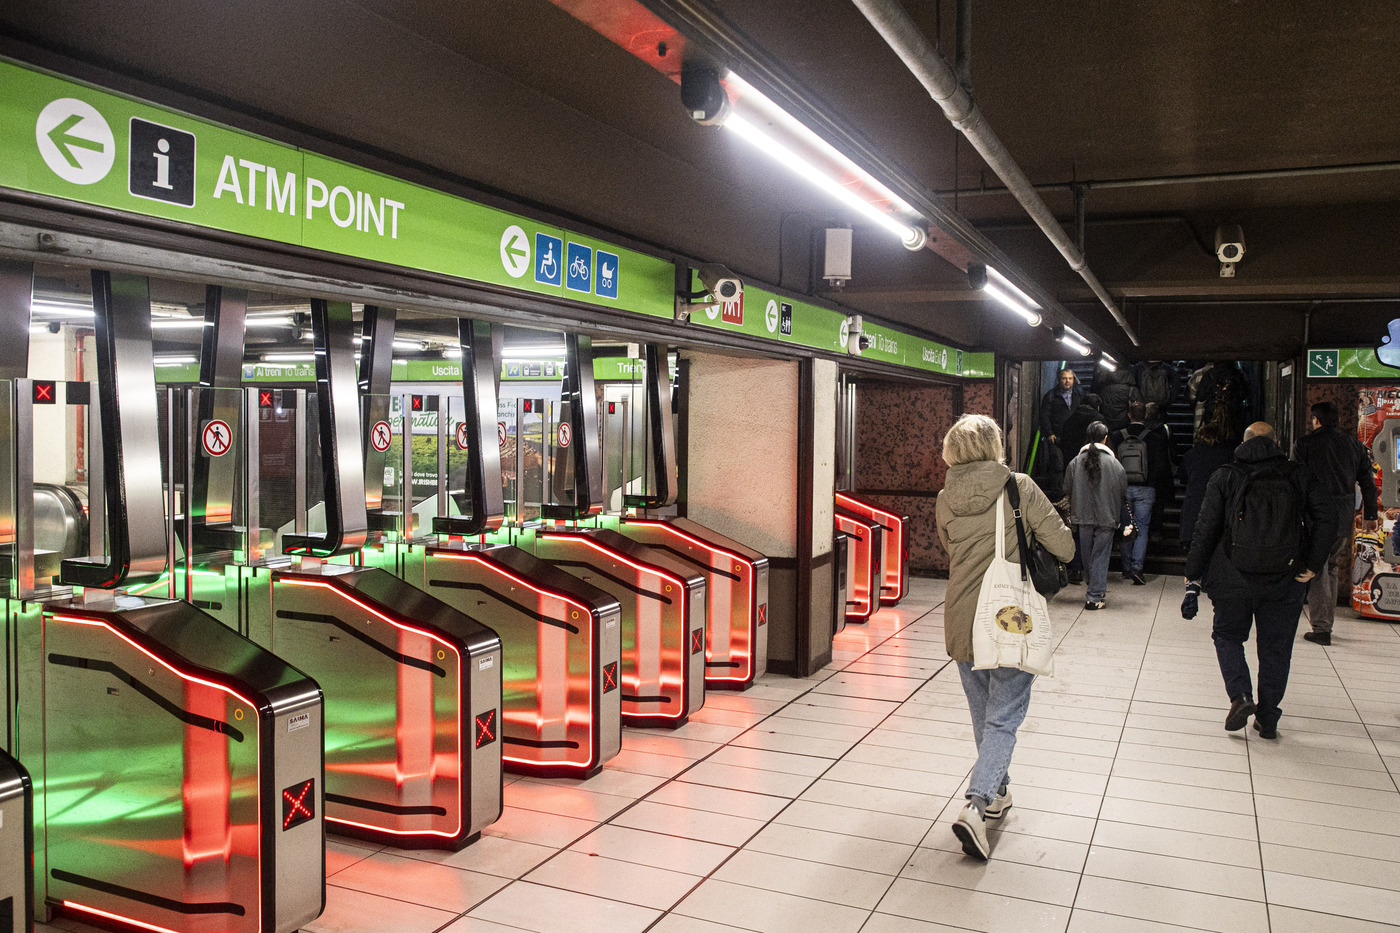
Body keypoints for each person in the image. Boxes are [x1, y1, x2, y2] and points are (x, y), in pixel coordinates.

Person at [935, 414, 1075, 860]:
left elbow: (949, 547)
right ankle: (976, 805)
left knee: (985, 714)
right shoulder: (1019, 486)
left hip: (961, 617)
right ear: (994, 445)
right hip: (1008, 617)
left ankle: (998, 793)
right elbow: (1065, 548)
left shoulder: (944, 497)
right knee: (1004, 717)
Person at [1183, 422, 1336, 739]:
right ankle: (1268, 719)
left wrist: (1193, 573)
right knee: (1276, 650)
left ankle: (1240, 696)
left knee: (1227, 636)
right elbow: (1328, 517)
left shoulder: (1226, 475)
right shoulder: (1298, 475)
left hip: (1232, 576)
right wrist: (1312, 564)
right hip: (1286, 578)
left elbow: (1206, 528)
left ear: (1244, 441)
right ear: (1277, 442)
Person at [1292, 401, 1379, 645]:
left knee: (1317, 567)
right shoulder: (1355, 446)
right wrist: (1371, 515)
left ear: (1316, 420)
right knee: (1330, 565)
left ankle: (1321, 629)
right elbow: (1368, 483)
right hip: (1343, 515)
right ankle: (1325, 623)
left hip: (1315, 516)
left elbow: (1298, 480)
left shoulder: (1305, 445)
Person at [1064, 421, 1127, 609]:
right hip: (1108, 516)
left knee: (1087, 555)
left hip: (1082, 515)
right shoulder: (1114, 463)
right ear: (1105, 438)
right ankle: (1094, 595)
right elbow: (1123, 489)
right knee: (1100, 555)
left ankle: (1093, 588)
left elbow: (1066, 487)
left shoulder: (1075, 462)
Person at [1111, 401, 1173, 584]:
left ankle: (1126, 567)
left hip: (1122, 488)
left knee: (1125, 526)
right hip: (1146, 488)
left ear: (1129, 415)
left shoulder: (1117, 436)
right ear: (1145, 415)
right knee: (1142, 527)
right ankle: (1138, 567)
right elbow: (1161, 465)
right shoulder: (1153, 438)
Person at [1178, 422, 1232, 548]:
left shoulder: (1191, 454)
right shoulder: (1225, 455)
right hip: (1218, 497)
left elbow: (1182, 476)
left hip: (1195, 497)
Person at [1039, 368, 1082, 451]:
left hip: (1074, 436)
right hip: (1057, 437)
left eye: (1070, 378)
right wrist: (1049, 433)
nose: (1067, 381)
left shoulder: (1078, 394)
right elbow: (1044, 416)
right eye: (1064, 378)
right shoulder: (1050, 396)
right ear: (1058, 380)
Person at [1058, 392, 1103, 462]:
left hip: (1071, 458)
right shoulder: (1098, 419)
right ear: (1097, 407)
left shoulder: (1072, 416)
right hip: (1091, 458)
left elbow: (1064, 439)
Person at [1095, 368, 1142, 432]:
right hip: (1125, 424)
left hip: (1108, 423)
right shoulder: (1131, 390)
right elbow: (1139, 406)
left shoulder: (1104, 390)